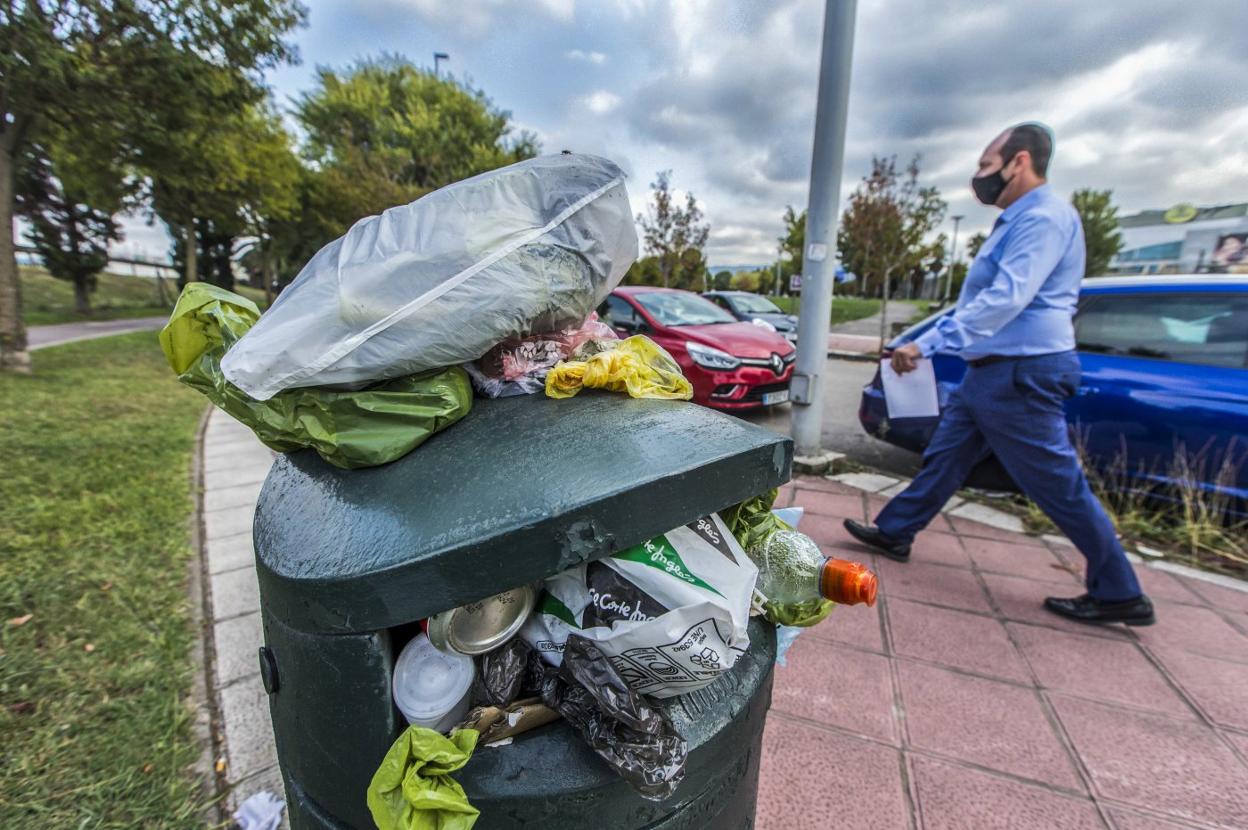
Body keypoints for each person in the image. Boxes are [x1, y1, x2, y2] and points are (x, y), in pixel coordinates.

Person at [844, 123, 1155, 626]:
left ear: (1020, 162)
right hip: (990, 374)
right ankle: (896, 530)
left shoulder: (1044, 218)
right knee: (944, 459)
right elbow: (978, 302)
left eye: (987, 166)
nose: (979, 177)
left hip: (1021, 372)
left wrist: (925, 343)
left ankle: (1119, 590)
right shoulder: (1017, 220)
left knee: (1056, 484)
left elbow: (1005, 298)